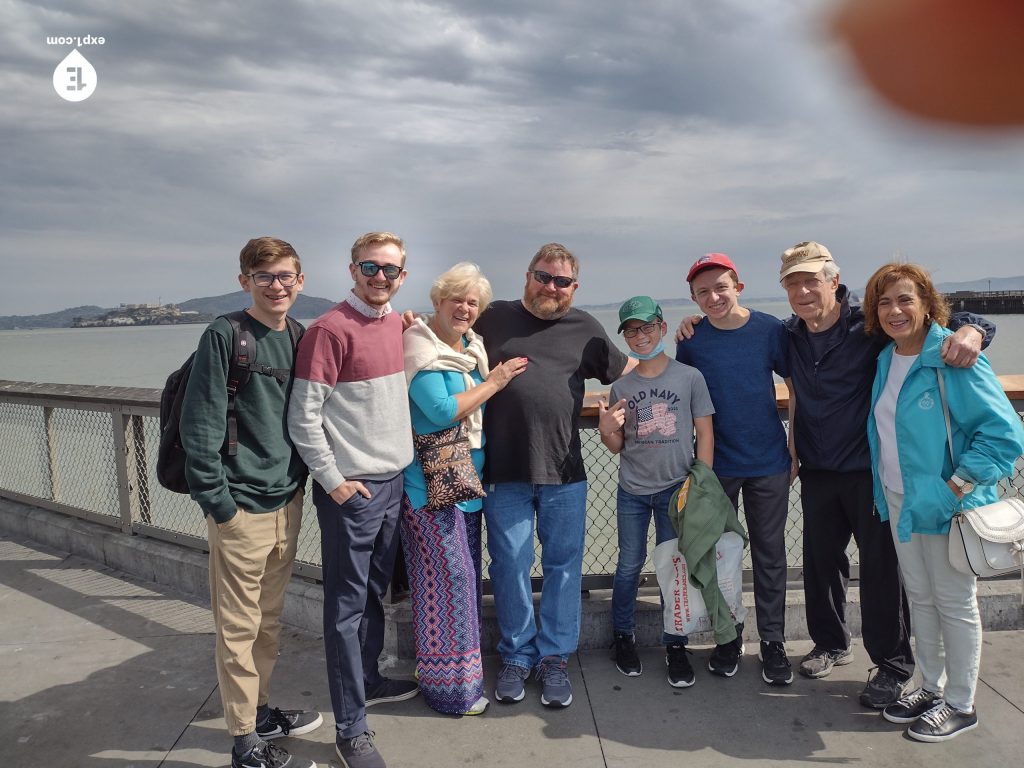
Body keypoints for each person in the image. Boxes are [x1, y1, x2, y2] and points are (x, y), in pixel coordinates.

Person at [778, 240, 994, 710]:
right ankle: (831, 642)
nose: (803, 290)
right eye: (793, 282)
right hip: (816, 468)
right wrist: (691, 327)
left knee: (883, 571)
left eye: (812, 280)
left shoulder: (869, 328)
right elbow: (737, 335)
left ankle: (893, 665)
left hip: (870, 472)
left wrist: (975, 330)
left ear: (834, 282)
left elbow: (931, 326)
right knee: (820, 563)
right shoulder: (787, 334)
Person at [863, 262, 1024, 741]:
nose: (894, 310)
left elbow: (1004, 435)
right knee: (920, 597)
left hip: (948, 504)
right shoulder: (886, 358)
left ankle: (961, 703)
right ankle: (929, 687)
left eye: (905, 299)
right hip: (899, 498)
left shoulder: (953, 357)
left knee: (954, 602)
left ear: (929, 304)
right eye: (884, 301)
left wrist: (953, 487)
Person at [180, 237, 320, 768]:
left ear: (300, 281)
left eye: (286, 276)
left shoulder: (302, 335)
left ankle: (259, 711)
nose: (277, 286)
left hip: (287, 499)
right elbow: (201, 424)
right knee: (238, 627)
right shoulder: (225, 334)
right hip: (241, 505)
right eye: (265, 277)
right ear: (246, 281)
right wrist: (220, 505)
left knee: (268, 620)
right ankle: (244, 742)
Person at [471, 242, 631, 708]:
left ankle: (555, 658)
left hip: (566, 471)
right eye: (544, 276)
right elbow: (446, 334)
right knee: (510, 567)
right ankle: (518, 656)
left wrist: (688, 341)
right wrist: (408, 327)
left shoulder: (585, 328)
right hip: (503, 470)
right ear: (528, 275)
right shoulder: (493, 317)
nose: (551, 287)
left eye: (562, 281)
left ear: (574, 288)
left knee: (563, 569)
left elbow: (634, 373)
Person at [288, 232, 417, 768]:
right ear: (352, 269)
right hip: (354, 491)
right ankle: (350, 728)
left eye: (390, 270)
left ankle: (368, 680)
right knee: (344, 608)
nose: (380, 277)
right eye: (371, 267)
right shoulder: (328, 330)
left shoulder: (395, 323)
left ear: (402, 277)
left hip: (394, 483)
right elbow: (304, 416)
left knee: (371, 597)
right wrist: (334, 480)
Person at [400, 262, 528, 716]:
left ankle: (456, 673)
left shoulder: (471, 347)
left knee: (463, 583)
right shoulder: (420, 346)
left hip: (466, 484)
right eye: (457, 298)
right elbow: (437, 410)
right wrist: (495, 382)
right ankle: (450, 691)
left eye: (473, 302)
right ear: (438, 301)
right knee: (447, 585)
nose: (465, 308)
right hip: (431, 486)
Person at [675, 253, 796, 685]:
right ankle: (728, 638)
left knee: (770, 556)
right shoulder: (691, 339)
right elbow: (680, 392)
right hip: (715, 466)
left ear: (738, 286)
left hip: (768, 462)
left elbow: (794, 385)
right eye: (702, 292)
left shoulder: (770, 330)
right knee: (719, 557)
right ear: (692, 297)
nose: (713, 297)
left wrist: (794, 447)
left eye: (721, 287)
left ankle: (773, 642)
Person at [598, 296, 715, 688]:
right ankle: (622, 636)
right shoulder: (622, 386)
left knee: (673, 569)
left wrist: (701, 483)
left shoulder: (689, 377)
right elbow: (618, 446)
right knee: (629, 566)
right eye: (632, 329)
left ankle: (676, 644)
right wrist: (605, 429)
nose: (640, 335)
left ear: (663, 328)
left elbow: (705, 432)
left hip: (677, 491)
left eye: (647, 327)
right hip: (632, 490)